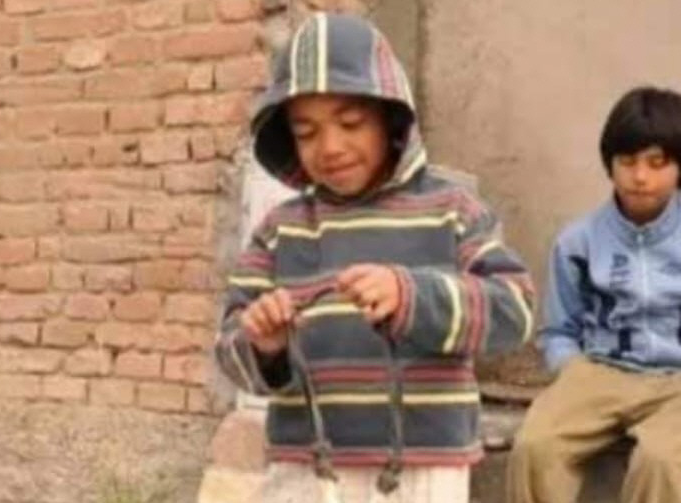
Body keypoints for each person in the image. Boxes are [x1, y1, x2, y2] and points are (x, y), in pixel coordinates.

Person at [214, 12, 535, 503]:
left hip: (422, 469)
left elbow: (514, 309)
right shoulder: (280, 230)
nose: (330, 147)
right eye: (306, 132)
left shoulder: (452, 210)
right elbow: (230, 347)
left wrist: (413, 296)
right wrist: (265, 347)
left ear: (390, 117)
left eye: (350, 123)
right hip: (305, 470)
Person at [507, 86, 681, 503]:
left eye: (657, 163)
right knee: (535, 446)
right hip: (601, 371)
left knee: (661, 461)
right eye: (628, 162)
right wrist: (574, 373)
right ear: (610, 164)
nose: (641, 177)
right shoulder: (578, 242)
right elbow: (559, 330)